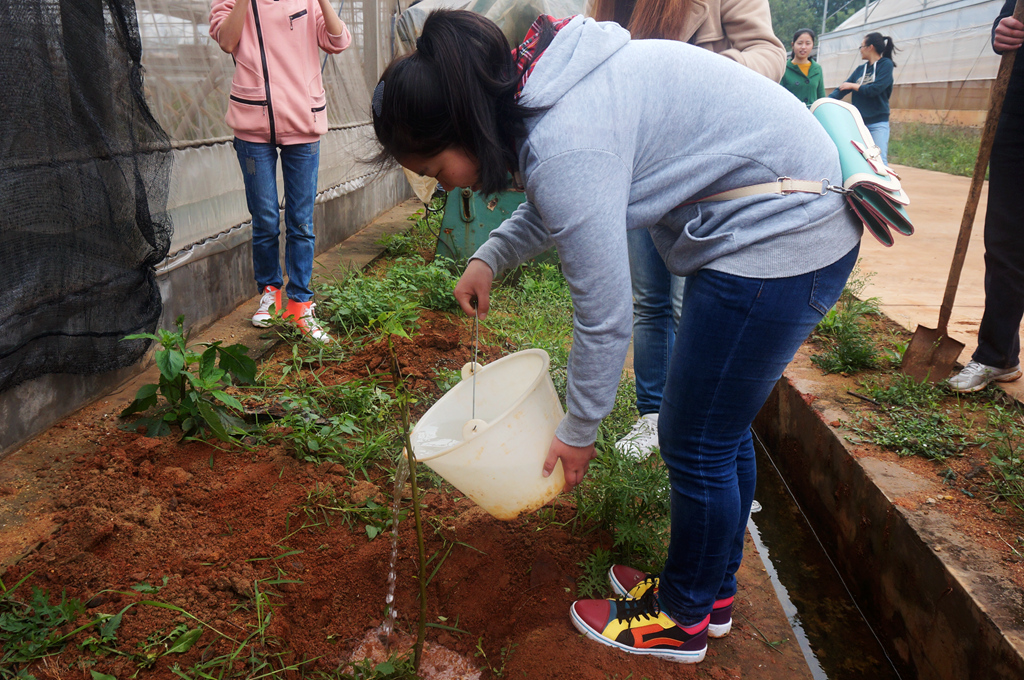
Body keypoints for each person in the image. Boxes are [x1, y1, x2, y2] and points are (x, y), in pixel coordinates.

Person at [372, 10, 861, 663]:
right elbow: (563, 199)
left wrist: (578, 431)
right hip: (784, 214)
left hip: (783, 233)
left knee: (696, 438)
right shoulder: (543, 98)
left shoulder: (565, 139)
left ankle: (681, 619)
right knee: (717, 429)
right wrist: (490, 256)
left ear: (464, 128)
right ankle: (708, 593)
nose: (448, 184)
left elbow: (603, 315)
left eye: (436, 169)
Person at [587, 0, 787, 459]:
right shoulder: (607, 5)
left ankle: (693, 421)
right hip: (642, 165)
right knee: (650, 301)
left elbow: (768, 52)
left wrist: (694, 75)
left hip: (705, 172)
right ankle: (652, 415)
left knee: (690, 303)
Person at [209, 0, 351, 342]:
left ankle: (301, 303)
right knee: (265, 217)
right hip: (252, 124)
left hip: (303, 122)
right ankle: (270, 292)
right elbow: (227, 40)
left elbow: (338, 40)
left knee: (301, 219)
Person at [948, 0, 1024, 392]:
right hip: (1017, 111)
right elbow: (1011, 16)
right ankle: (998, 355)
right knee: (1005, 242)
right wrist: (1003, 29)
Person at [829, 32, 898, 165]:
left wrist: (854, 86)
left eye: (861, 46)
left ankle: (885, 185)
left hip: (877, 123)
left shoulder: (885, 65)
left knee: (879, 161)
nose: (860, 50)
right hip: (859, 124)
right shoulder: (861, 70)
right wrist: (825, 101)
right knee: (859, 161)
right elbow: (843, 88)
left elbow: (875, 89)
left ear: (870, 47)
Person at [780, 28, 825, 107]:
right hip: (791, 114)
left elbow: (821, 98)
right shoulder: (784, 68)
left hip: (811, 116)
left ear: (812, 45)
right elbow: (779, 96)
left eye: (808, 43)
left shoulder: (817, 69)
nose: (803, 47)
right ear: (793, 45)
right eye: (800, 43)